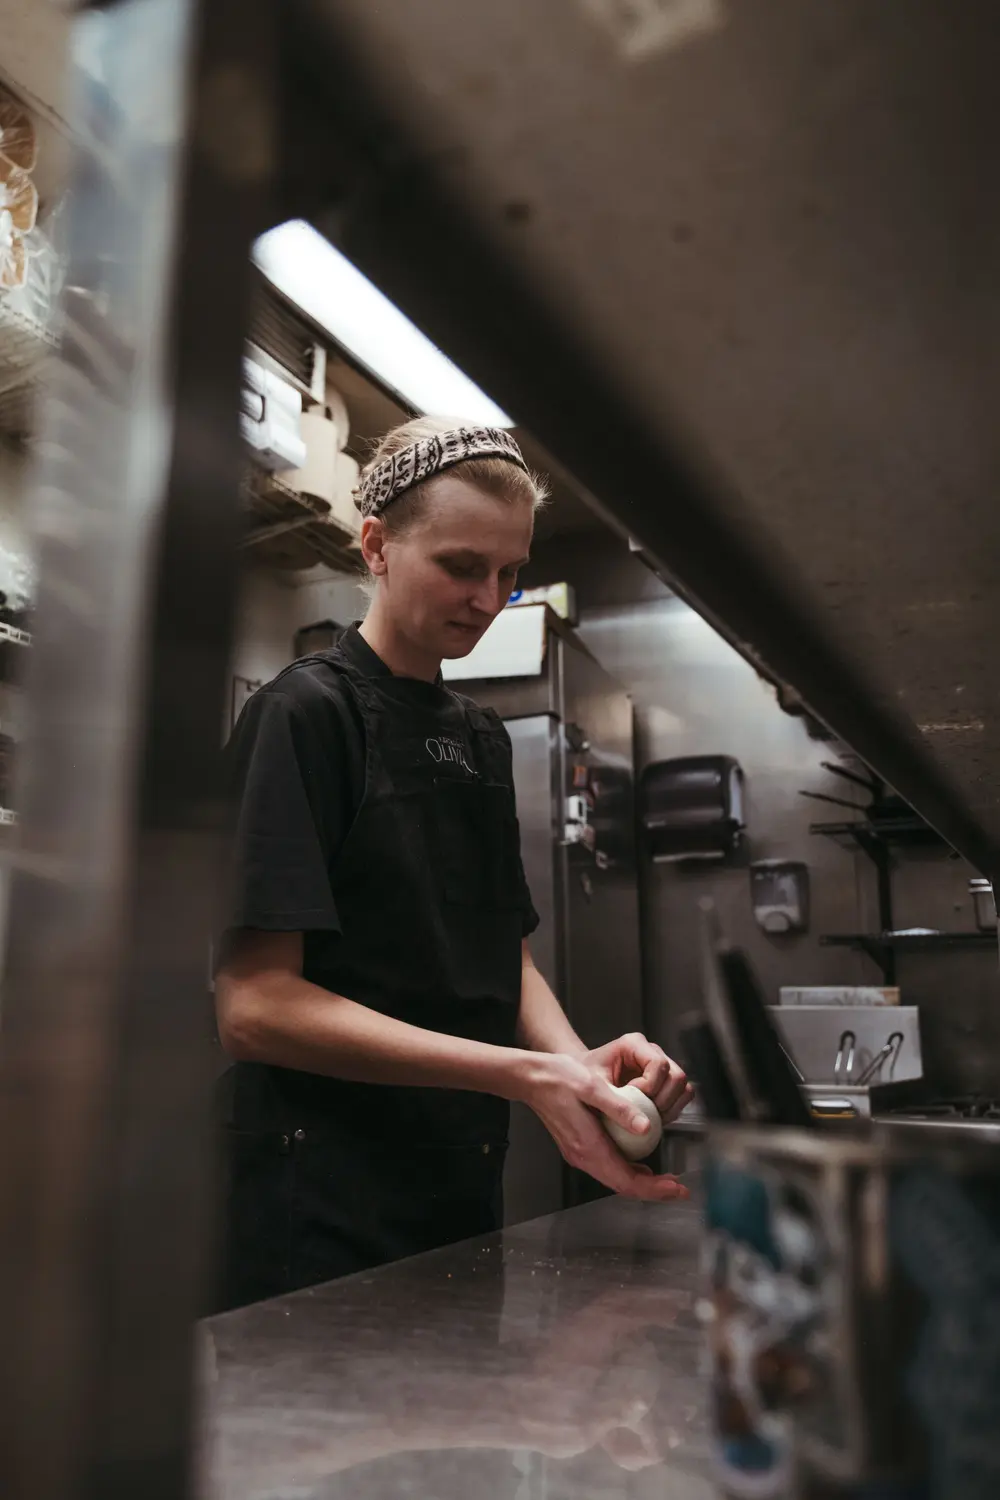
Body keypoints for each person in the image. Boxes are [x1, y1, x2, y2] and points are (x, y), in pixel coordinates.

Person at [214, 416, 692, 1311]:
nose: (490, 598)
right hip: (312, 1193)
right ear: (377, 548)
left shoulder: (480, 737)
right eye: (463, 566)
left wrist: (577, 1071)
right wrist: (522, 1075)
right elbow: (254, 1008)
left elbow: (498, 956)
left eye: (510, 573)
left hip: (456, 1181)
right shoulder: (305, 715)